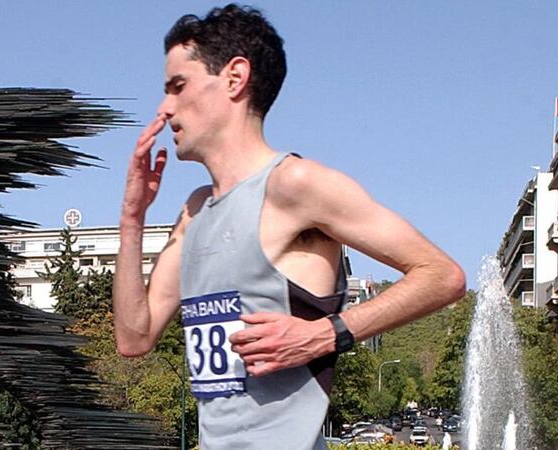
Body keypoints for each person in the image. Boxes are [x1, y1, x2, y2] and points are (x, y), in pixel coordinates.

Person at [112, 4, 465, 449]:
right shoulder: (194, 210)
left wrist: (322, 335)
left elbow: (441, 275)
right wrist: (131, 220)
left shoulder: (294, 185)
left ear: (235, 78)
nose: (165, 108)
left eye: (178, 87)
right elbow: (134, 337)